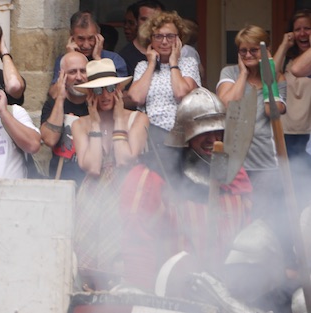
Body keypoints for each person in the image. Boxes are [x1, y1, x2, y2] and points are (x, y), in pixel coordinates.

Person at [118, 88, 252, 291]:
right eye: (204, 132)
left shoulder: (235, 176)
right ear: (185, 135)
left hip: (226, 290)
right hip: (171, 294)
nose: (214, 139)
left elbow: (246, 236)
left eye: (219, 132)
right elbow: (138, 246)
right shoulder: (151, 178)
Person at [69, 59, 149, 286]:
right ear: (89, 95)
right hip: (93, 198)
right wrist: (94, 123)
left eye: (111, 88)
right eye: (97, 90)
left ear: (119, 90)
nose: (105, 95)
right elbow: (93, 167)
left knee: (122, 261)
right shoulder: (80, 124)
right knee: (89, 267)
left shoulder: (138, 118)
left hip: (126, 194)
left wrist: (117, 119)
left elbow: (124, 158)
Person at [216, 25, 286, 191]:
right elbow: (226, 106)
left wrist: (267, 73)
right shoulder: (230, 73)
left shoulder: (277, 78)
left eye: (254, 50)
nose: (248, 55)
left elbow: (272, 111)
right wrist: (243, 75)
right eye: (243, 51)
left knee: (265, 214)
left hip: (265, 159)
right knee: (236, 212)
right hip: (233, 159)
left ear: (265, 50)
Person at [128, 10, 200, 160]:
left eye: (170, 36)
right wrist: (151, 65)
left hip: (181, 140)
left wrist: (174, 63)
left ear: (179, 40)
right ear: (150, 40)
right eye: (158, 36)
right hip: (149, 141)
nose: (165, 41)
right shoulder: (142, 67)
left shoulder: (188, 64)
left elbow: (181, 93)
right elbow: (136, 98)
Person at [48, 11, 128, 99]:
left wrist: (97, 59)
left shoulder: (114, 59)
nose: (86, 45)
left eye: (91, 38)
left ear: (99, 36)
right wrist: (71, 58)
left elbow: (115, 93)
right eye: (81, 39)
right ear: (71, 36)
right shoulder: (63, 60)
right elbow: (54, 94)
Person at [40, 51, 90, 182]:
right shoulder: (52, 105)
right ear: (62, 76)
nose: (79, 77)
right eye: (73, 72)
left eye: (83, 71)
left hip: (92, 184)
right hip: (62, 181)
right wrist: (60, 99)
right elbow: (49, 140)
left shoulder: (99, 103)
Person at [273, 9, 311, 172]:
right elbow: (270, 76)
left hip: (308, 132)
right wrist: (284, 45)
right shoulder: (288, 59)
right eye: (297, 29)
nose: (302, 33)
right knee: (288, 178)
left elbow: (298, 69)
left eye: (307, 28)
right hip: (286, 129)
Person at [118, 0, 165, 83]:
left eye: (156, 20)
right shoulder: (124, 57)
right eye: (145, 19)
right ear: (136, 22)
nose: (150, 24)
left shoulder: (170, 51)